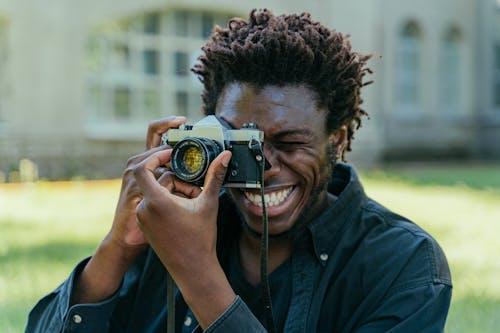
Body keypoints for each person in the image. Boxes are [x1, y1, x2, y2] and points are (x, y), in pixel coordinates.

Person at [26, 9, 452, 333]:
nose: (263, 167)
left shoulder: (401, 263)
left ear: (336, 141)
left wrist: (198, 275)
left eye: (289, 143)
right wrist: (117, 248)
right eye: (239, 144)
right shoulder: (172, 226)